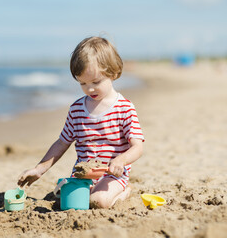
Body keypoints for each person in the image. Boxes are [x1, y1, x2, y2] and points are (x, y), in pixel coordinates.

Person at [17, 36, 144, 208]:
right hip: (83, 175)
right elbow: (62, 142)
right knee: (67, 202)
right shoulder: (77, 109)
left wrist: (121, 160)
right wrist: (39, 169)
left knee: (98, 202)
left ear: (113, 73)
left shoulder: (124, 108)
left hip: (112, 175)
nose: (89, 88)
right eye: (82, 83)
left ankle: (124, 192)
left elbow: (137, 146)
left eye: (96, 82)